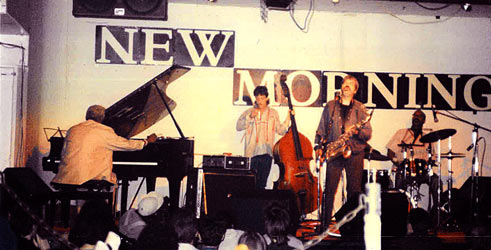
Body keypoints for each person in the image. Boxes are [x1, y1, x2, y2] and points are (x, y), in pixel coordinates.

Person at [315, 75, 372, 227]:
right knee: (329, 191)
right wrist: (318, 147)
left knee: (354, 192)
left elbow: (368, 133)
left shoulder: (361, 108)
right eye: (344, 83)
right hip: (335, 151)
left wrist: (356, 131)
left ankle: (353, 228)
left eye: (350, 84)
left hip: (354, 152)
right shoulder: (331, 106)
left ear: (355, 90)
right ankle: (324, 225)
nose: (346, 86)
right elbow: (321, 129)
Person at [51, 104, 157, 186]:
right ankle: (105, 211)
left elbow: (63, 153)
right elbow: (126, 145)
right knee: (112, 180)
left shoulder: (72, 129)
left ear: (86, 116)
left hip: (65, 176)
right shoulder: (104, 131)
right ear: (102, 118)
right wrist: (146, 141)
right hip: (88, 177)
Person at [236, 86, 292, 189]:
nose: (259, 101)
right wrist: (250, 118)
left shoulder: (273, 113)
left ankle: (259, 205)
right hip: (251, 154)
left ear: (267, 98)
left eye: (262, 98)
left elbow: (280, 130)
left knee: (262, 185)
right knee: (250, 184)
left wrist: (288, 118)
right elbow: (238, 127)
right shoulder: (249, 112)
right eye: (257, 98)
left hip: (267, 153)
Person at [386, 109, 439, 211]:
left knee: (436, 180)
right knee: (400, 180)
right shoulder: (401, 133)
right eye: (414, 115)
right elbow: (390, 153)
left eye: (419, 116)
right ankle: (399, 210)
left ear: (423, 120)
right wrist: (399, 164)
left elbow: (432, 157)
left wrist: (428, 166)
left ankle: (436, 211)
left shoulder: (428, 137)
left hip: (422, 172)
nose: (416, 118)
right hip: (404, 170)